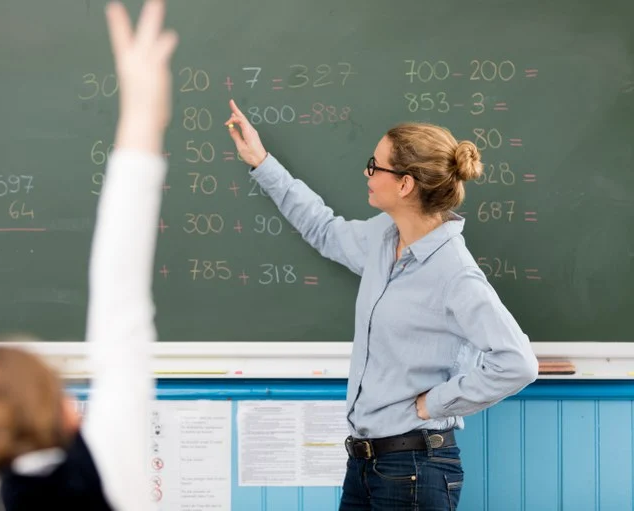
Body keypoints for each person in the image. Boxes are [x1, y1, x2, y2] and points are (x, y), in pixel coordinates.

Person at [225, 101, 538, 510]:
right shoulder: (383, 239)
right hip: (365, 464)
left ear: (405, 184)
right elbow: (323, 229)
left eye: (375, 166)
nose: (366, 173)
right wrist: (262, 162)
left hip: (415, 467)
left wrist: (437, 403)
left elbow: (518, 362)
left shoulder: (453, 271)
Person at [0, 2, 177, 509]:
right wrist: (140, 118)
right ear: (68, 411)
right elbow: (120, 300)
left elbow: (119, 311)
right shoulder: (108, 472)